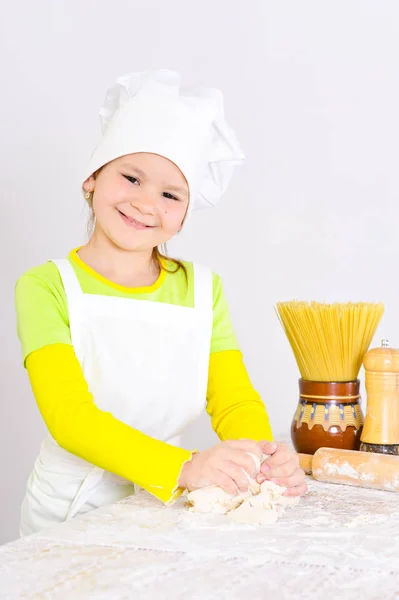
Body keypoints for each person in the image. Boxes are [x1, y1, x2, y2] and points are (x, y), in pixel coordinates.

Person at [15, 70, 306, 536]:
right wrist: (185, 467)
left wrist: (260, 457)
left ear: (186, 214)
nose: (146, 203)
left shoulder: (202, 289)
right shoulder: (45, 286)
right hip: (70, 509)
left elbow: (232, 398)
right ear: (92, 178)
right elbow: (71, 418)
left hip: (159, 505)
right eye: (131, 177)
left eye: (170, 194)